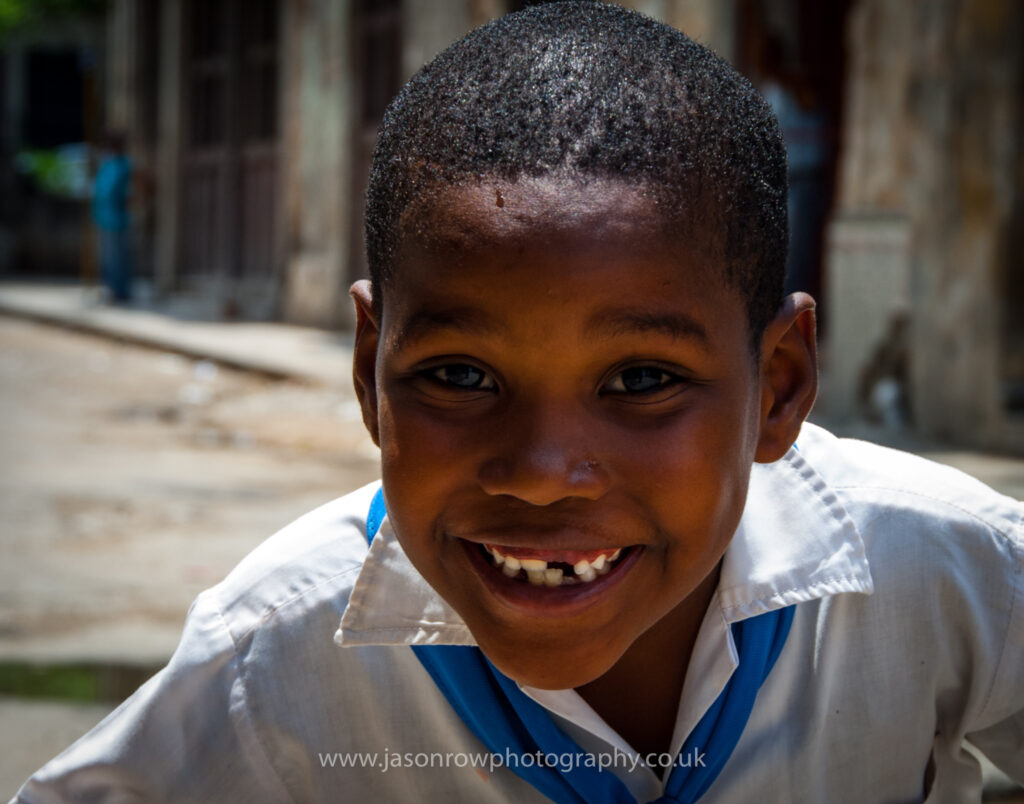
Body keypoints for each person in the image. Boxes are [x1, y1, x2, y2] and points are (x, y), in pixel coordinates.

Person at [14, 3, 1023, 802]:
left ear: (781, 390)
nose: (541, 473)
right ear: (371, 372)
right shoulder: (273, 665)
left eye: (640, 382)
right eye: (460, 377)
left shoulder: (930, 570)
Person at [92, 131, 133, 303]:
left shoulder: (124, 165)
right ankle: (111, 288)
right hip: (104, 216)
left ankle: (120, 291)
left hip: (118, 218)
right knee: (107, 257)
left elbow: (127, 191)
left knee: (118, 257)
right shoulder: (107, 164)